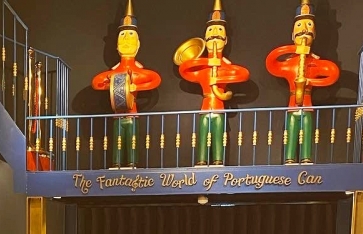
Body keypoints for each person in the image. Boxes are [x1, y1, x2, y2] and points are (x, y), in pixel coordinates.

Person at [266, 2, 340, 165]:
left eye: (309, 26)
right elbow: (271, 62)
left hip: (307, 104)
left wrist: (309, 81)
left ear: (315, 34)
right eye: (299, 26)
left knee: (307, 131)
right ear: (293, 35)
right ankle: (289, 158)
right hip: (293, 104)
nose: (304, 30)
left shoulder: (315, 62)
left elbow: (333, 73)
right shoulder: (289, 62)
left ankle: (306, 157)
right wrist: (292, 49)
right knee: (291, 130)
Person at [177, 0, 249, 167]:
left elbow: (243, 74)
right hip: (205, 106)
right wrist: (207, 62)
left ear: (225, 40)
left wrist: (221, 81)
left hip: (219, 108)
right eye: (211, 31)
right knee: (202, 134)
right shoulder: (203, 67)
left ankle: (218, 160)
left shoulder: (227, 66)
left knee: (218, 134)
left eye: (219, 31)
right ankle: (201, 160)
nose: (214, 35)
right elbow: (184, 70)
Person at [91, 0, 161, 168]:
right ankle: (116, 163)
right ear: (116, 45)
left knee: (132, 139)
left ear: (138, 44)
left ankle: (131, 162)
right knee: (117, 139)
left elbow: (155, 79)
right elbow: (96, 82)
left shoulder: (139, 71)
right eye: (122, 35)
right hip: (118, 114)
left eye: (130, 35)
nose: (126, 40)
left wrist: (136, 87)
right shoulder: (114, 71)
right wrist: (112, 84)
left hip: (132, 112)